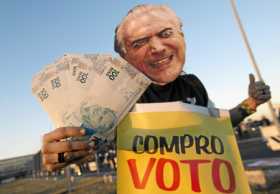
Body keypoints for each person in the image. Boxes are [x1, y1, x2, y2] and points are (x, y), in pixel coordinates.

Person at [41, 4, 271, 171]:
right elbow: (83, 144)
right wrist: (61, 155)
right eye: (139, 43)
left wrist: (251, 103)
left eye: (165, 33)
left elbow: (218, 125)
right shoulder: (111, 99)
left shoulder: (192, 85)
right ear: (123, 57)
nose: (158, 47)